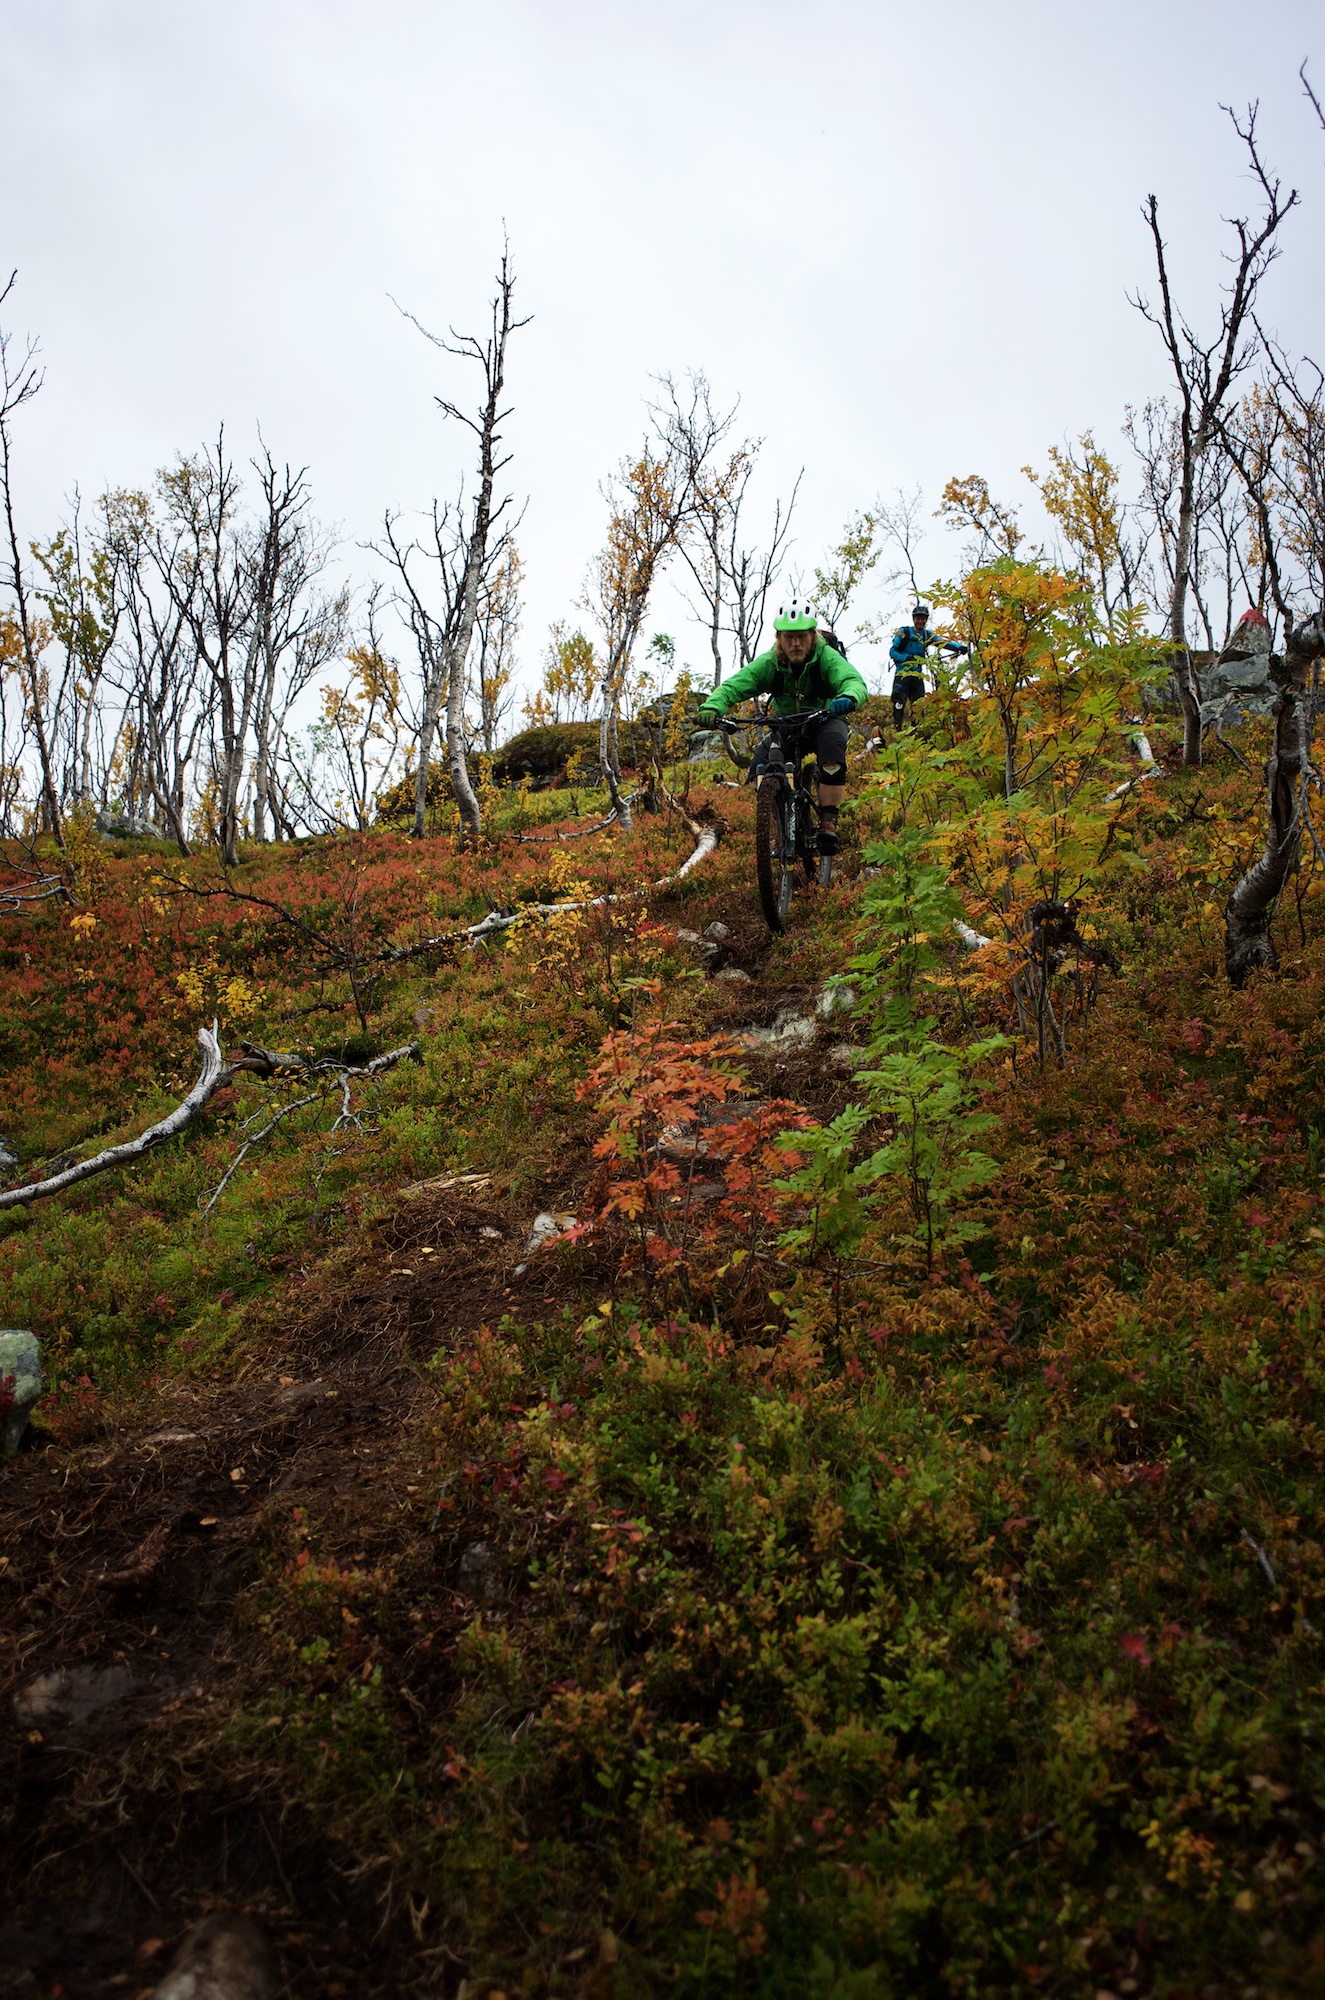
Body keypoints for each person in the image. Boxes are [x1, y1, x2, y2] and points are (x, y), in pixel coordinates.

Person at [695, 601, 867, 853]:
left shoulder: (826, 658)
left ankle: (828, 821)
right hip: (787, 723)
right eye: (789, 637)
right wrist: (713, 707)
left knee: (832, 754)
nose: (795, 643)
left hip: (825, 717)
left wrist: (849, 697)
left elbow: (852, 680)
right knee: (760, 765)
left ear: (812, 637)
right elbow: (736, 685)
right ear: (779, 639)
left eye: (801, 637)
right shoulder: (771, 662)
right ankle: (777, 824)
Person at [888, 602, 968, 729]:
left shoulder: (927, 635)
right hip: (902, 674)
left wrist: (959, 648)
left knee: (919, 705)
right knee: (899, 702)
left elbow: (942, 642)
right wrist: (906, 658)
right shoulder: (904, 632)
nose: (920, 621)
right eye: (918, 618)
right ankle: (897, 729)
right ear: (914, 619)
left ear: (926, 620)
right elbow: (892, 651)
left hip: (918, 675)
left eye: (923, 619)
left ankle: (916, 732)